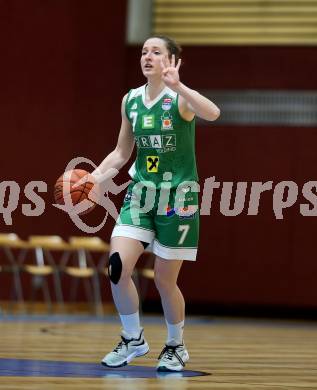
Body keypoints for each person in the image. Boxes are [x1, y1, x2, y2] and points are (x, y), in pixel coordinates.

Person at [93, 35, 220, 372]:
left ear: (171, 60)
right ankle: (132, 338)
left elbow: (214, 113)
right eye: (144, 51)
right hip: (141, 193)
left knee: (165, 280)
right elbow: (122, 152)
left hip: (178, 198)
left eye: (156, 52)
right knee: (117, 266)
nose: (147, 56)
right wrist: (94, 179)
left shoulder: (180, 99)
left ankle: (176, 345)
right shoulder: (131, 100)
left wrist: (181, 87)